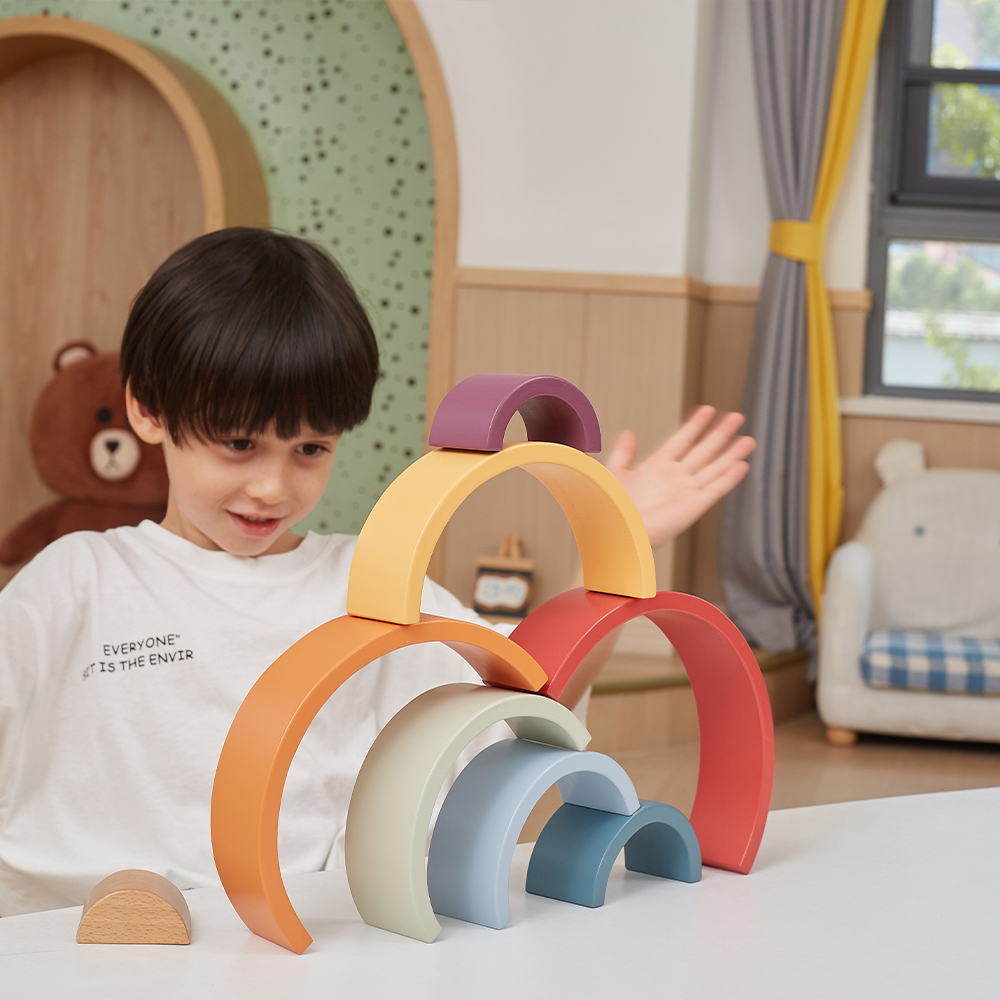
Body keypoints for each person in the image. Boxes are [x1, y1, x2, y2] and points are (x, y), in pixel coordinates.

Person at [0, 229, 754, 917]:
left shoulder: (368, 579)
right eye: (238, 443)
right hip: (82, 938)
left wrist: (614, 554)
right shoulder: (78, 580)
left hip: (304, 934)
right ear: (147, 409)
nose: (272, 487)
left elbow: (528, 703)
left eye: (310, 449)